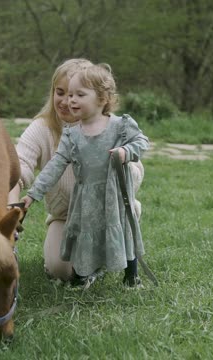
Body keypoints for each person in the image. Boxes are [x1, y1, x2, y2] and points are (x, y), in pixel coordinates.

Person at [8, 58, 145, 282]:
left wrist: (121, 160)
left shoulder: (116, 126)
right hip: (67, 216)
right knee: (60, 270)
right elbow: (24, 165)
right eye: (60, 92)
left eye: (77, 94)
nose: (66, 101)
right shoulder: (48, 130)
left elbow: (138, 160)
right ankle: (84, 267)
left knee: (117, 238)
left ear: (99, 98)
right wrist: (21, 199)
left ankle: (127, 271)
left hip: (110, 208)